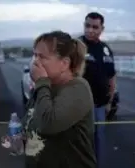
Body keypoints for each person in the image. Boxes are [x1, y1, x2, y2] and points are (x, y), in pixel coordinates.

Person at [23, 30, 96, 168]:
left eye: (42, 57)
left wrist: (41, 82)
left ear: (64, 63)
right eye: (34, 55)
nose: (35, 62)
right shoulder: (46, 87)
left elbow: (48, 124)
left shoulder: (77, 88)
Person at [79, 12, 116, 167]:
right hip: (79, 107)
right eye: (87, 26)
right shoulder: (76, 47)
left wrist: (110, 101)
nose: (90, 30)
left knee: (98, 141)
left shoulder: (106, 49)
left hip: (100, 106)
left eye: (95, 27)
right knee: (80, 143)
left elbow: (112, 77)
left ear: (102, 29)